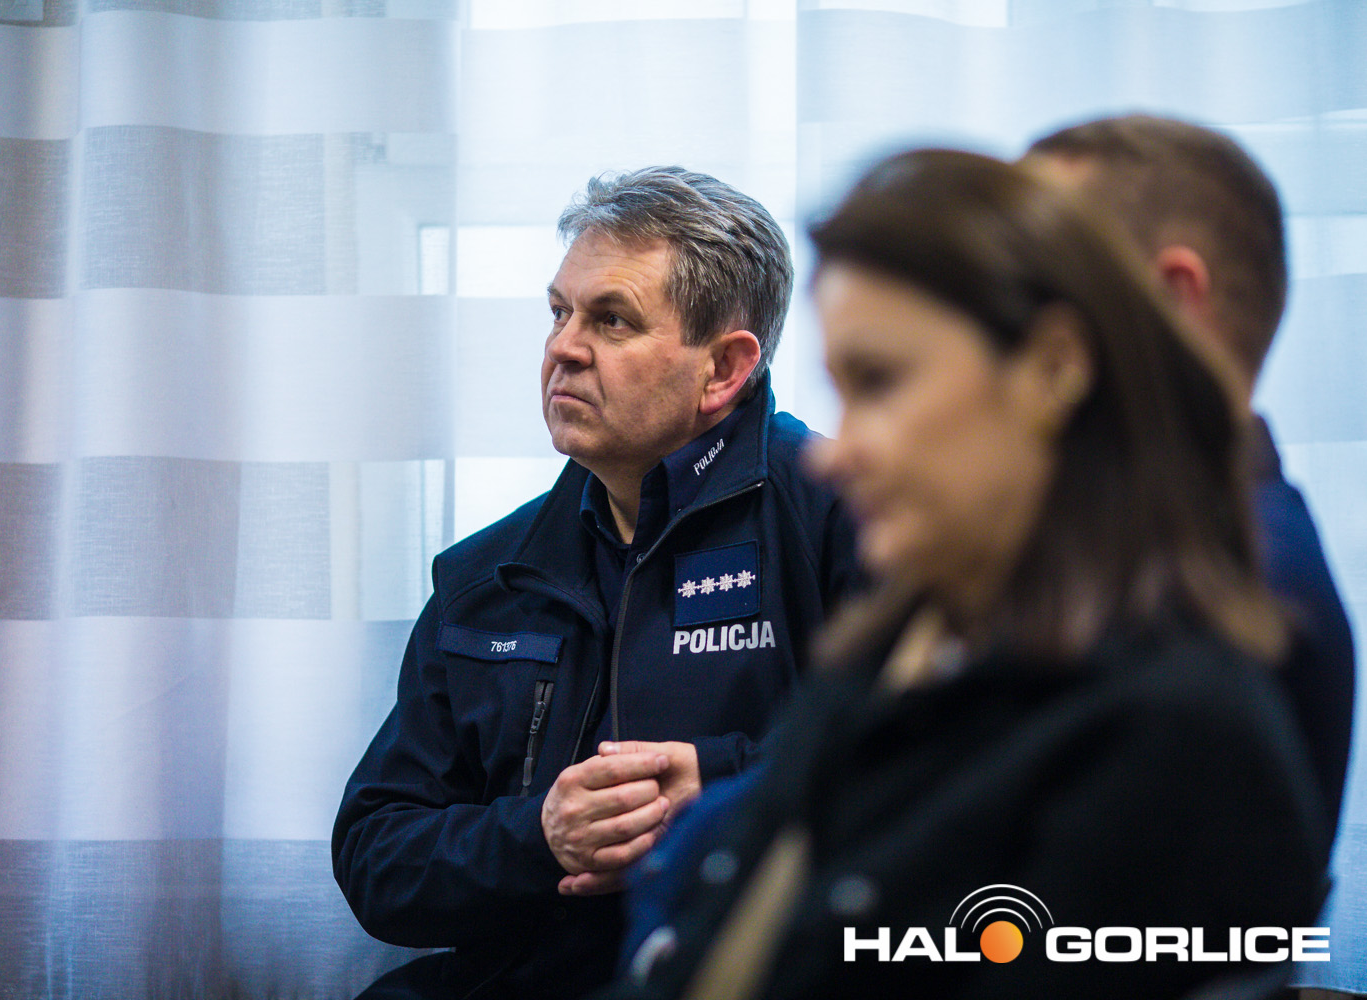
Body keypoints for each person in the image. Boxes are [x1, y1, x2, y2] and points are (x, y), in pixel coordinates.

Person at [598, 149, 1331, 1000]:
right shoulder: (900, 645)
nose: (838, 455)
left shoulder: (1178, 731)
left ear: (1055, 368)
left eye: (880, 383)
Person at [332, 166, 858, 999]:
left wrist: (722, 785)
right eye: (559, 312)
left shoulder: (846, 515)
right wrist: (539, 838)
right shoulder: (488, 575)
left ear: (724, 368)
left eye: (612, 320)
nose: (563, 349)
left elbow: (944, 763)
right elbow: (376, 857)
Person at [1024, 114, 1355, 826]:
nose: (1003, 326)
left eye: (1038, 284)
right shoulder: (1178, 550)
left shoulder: (1227, 590)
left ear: (1171, 301)